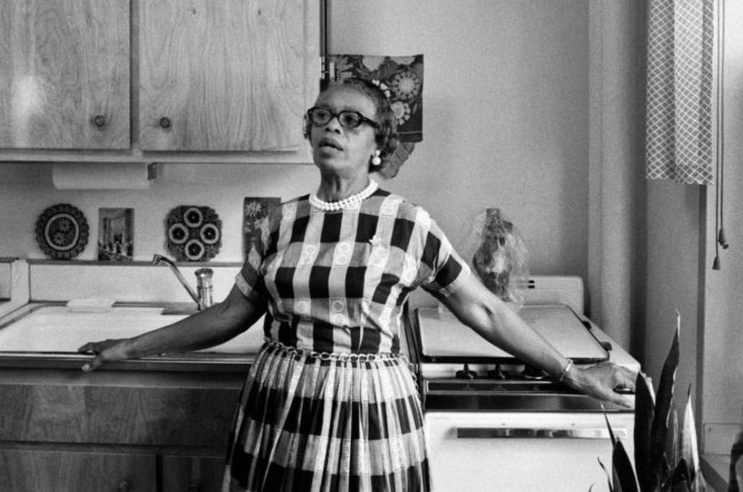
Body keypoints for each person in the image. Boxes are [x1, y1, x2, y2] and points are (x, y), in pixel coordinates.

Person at [79, 77, 636, 492]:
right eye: (321, 117)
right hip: (281, 403)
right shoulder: (278, 221)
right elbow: (229, 314)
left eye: (350, 120)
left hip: (368, 410)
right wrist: (127, 347)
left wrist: (573, 372)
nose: (331, 128)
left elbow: (485, 310)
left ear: (378, 146)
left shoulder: (406, 223)